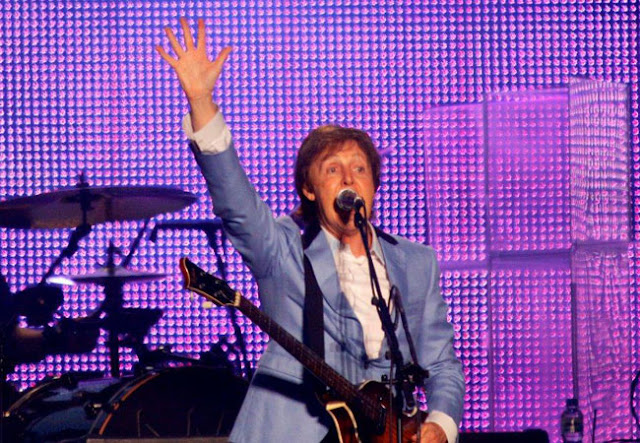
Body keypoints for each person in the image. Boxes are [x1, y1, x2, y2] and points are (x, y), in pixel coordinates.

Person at [157, 18, 465, 442]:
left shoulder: (416, 262)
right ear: (309, 189)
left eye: (359, 169)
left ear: (374, 184)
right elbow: (236, 205)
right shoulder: (283, 249)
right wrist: (201, 102)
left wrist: (440, 424)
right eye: (332, 170)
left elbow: (442, 364)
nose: (348, 178)